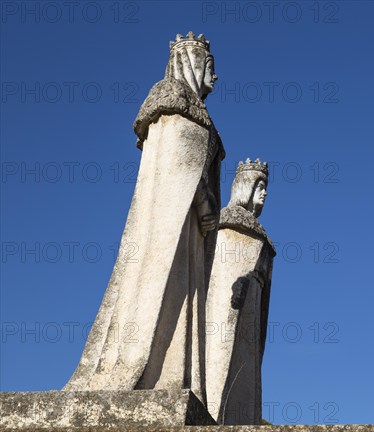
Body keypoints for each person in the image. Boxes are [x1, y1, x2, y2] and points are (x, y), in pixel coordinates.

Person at [64, 32, 225, 405]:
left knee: (184, 299)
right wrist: (203, 201)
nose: (215, 78)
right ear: (191, 62)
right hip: (168, 223)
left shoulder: (202, 116)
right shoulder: (172, 99)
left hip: (190, 234)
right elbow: (176, 160)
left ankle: (174, 378)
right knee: (156, 289)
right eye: (210, 68)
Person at [205, 159, 276, 425]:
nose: (264, 192)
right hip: (225, 304)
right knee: (220, 360)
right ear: (245, 186)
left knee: (246, 371)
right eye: (259, 185)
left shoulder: (261, 234)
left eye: (265, 186)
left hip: (252, 306)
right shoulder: (227, 221)